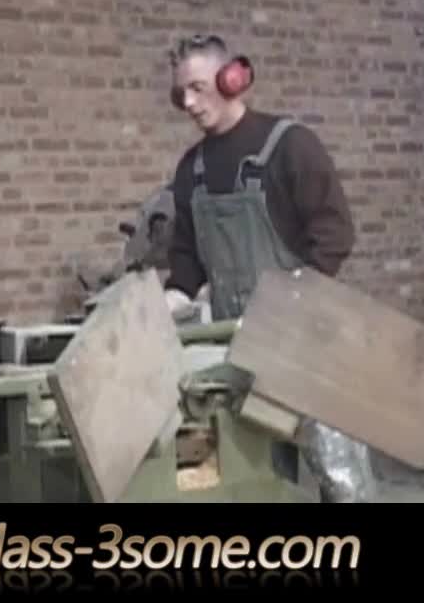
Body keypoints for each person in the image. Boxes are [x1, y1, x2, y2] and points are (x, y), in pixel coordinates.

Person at [160, 34, 378, 502]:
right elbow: (186, 263)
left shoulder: (291, 146)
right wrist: (164, 306)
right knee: (229, 480)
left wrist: (289, 302)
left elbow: (335, 234)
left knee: (344, 484)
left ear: (232, 79)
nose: (189, 103)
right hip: (234, 347)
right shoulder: (190, 170)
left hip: (302, 340)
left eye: (198, 88)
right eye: (181, 94)